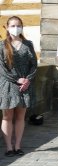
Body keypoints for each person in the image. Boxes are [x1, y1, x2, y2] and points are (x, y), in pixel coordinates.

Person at [0, 16, 37, 157]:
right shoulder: (2, 45)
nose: (16, 28)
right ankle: (9, 147)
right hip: (7, 85)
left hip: (25, 86)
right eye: (13, 25)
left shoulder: (28, 44)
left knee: (20, 116)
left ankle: (17, 145)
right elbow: (1, 68)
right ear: (7, 27)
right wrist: (17, 79)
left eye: (19, 25)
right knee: (7, 116)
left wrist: (27, 80)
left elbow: (34, 64)